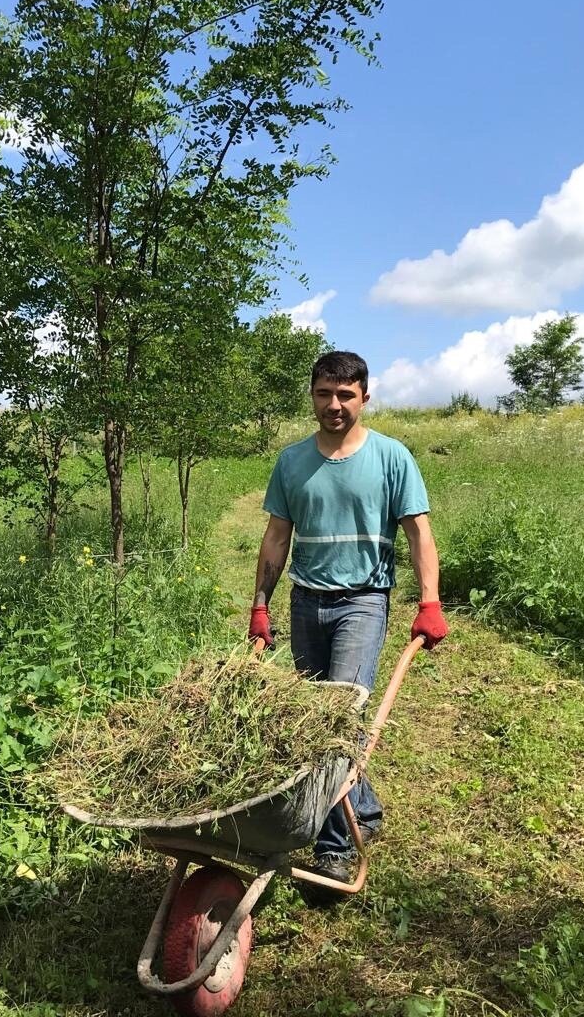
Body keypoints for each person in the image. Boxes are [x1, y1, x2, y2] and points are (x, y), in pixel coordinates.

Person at [248, 350, 447, 901]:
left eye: (345, 395)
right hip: (306, 601)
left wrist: (429, 602)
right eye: (323, 394)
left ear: (364, 396)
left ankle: (333, 851)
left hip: (363, 601)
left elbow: (419, 534)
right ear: (311, 394)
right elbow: (276, 538)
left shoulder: (391, 457)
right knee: (315, 718)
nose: (333, 405)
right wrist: (260, 604)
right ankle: (363, 806)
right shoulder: (291, 462)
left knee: (338, 717)